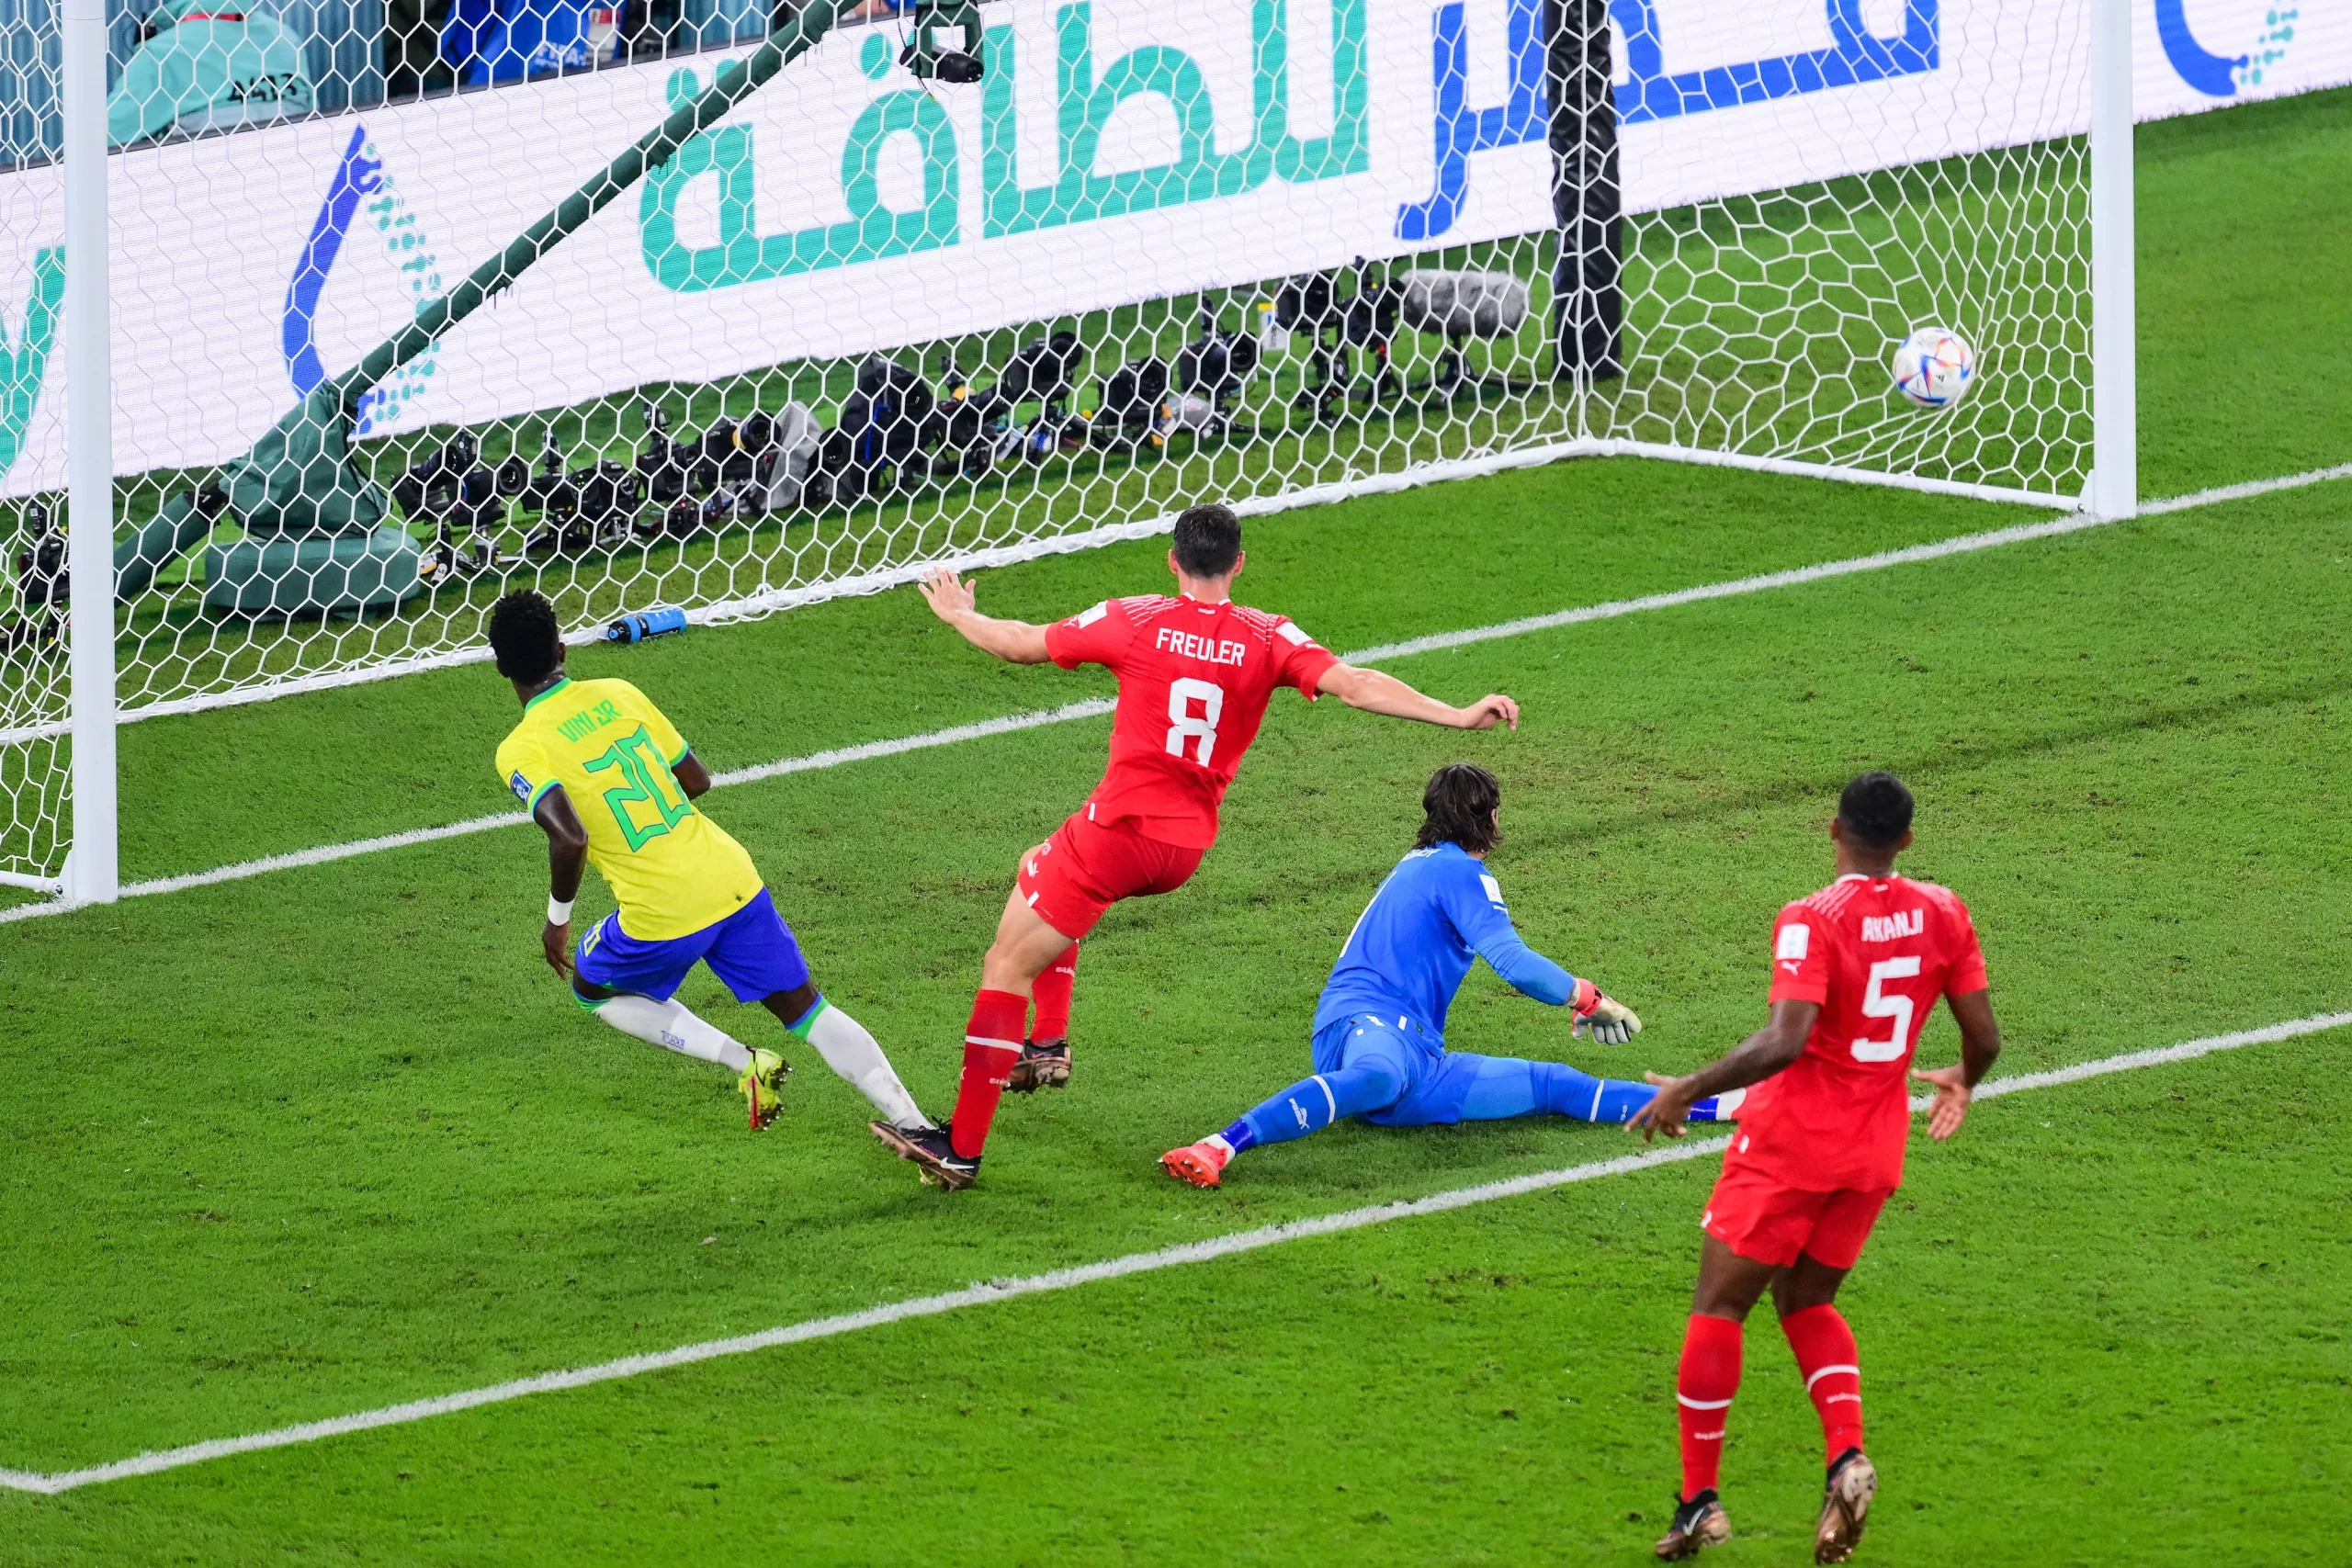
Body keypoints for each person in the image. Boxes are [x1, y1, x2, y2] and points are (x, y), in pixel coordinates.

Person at [872, 502, 1522, 1190]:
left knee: (1005, 965)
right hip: (1180, 852)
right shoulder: (1268, 635)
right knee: (1036, 865)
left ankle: (960, 1149)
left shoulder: (1135, 618)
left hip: (1117, 834)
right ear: (1239, 562)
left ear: (1172, 560)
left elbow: (1022, 641)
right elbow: (1356, 686)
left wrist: (958, 615)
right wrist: (1455, 713)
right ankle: (1048, 1043)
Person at [1627, 772, 2001, 1563]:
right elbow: (1986, 1037)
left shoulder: (1811, 917)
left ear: (1833, 829)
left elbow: (1785, 1039)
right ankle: (1845, 1455)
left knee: (1720, 1306)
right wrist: (1963, 1079)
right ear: (1906, 838)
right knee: (1807, 1298)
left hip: (1791, 1144)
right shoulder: (1945, 909)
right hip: (1872, 1149)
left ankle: (1699, 1501)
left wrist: (1688, 1088)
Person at [488, 589, 936, 1137]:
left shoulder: (521, 747)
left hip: (660, 908)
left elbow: (571, 838)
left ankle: (745, 1061)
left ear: (500, 666)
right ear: (562, 651)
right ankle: (916, 1125)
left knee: (592, 985)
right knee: (806, 1009)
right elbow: (696, 780)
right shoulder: (619, 692)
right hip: (730, 876)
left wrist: (556, 923)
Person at [1160, 763, 1718, 1187]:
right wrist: (1591, 999)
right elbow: (1513, 962)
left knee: (1558, 1085)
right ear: (1493, 817)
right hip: (1365, 1021)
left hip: (1419, 1057)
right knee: (1378, 1074)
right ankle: (1220, 1145)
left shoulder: (1420, 863)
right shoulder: (1459, 871)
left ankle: (1733, 1105)